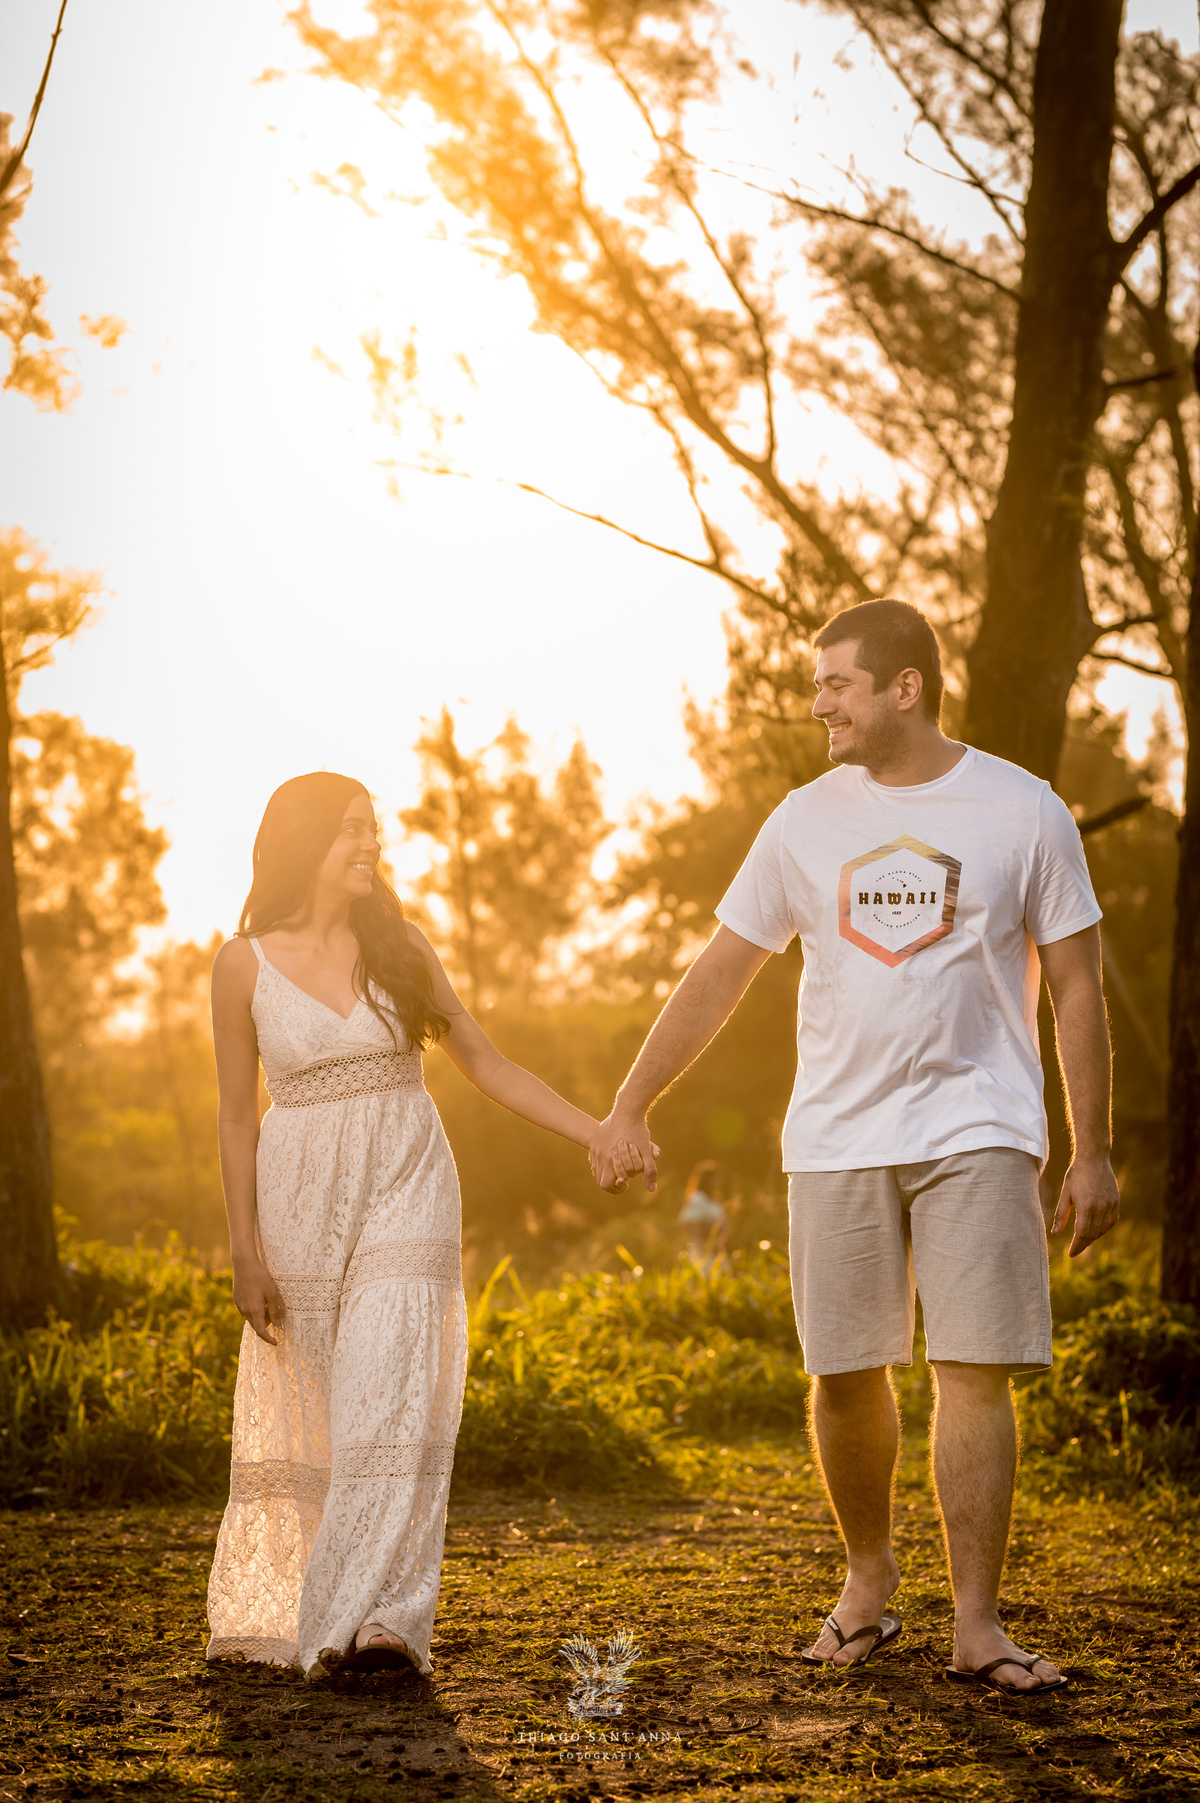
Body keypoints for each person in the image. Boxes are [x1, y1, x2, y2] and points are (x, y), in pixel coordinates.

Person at [589, 599, 1118, 1697]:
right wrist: (631, 1102)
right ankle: (868, 1582)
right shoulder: (801, 821)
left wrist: (1092, 1149)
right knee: (841, 1370)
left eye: (837, 683)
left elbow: (1076, 983)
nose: (818, 702)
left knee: (972, 1365)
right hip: (835, 1133)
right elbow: (720, 971)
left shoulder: (1024, 808)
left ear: (904, 687)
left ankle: (978, 1624)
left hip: (980, 1123)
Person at [206, 771, 598, 1678]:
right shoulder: (241, 964)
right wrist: (244, 1248)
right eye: (350, 829)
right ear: (303, 840)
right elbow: (233, 1115)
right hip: (300, 1197)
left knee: (390, 1394)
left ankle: (381, 1620)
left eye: (372, 829)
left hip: (408, 1178)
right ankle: (333, 1601)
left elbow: (486, 1063)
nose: (369, 844)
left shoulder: (401, 946)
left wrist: (596, 1131)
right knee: (327, 1415)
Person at [679, 1160, 729, 1273]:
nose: (719, 1181)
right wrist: (705, 1243)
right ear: (708, 1180)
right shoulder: (697, 1198)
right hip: (701, 1249)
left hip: (717, 1248)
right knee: (705, 1274)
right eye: (716, 1179)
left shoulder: (715, 1199)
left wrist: (720, 1241)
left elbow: (724, 1223)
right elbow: (687, 1223)